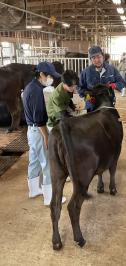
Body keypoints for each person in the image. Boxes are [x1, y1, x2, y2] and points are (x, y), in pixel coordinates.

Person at [22, 61, 66, 206]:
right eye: (50, 76)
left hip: (31, 130)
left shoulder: (31, 86)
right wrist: (46, 137)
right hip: (39, 130)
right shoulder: (36, 91)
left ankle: (34, 190)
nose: (51, 79)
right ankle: (50, 198)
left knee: (34, 160)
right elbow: (39, 118)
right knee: (47, 162)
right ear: (41, 74)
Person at [77, 45, 124, 112]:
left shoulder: (111, 69)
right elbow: (79, 88)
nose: (97, 60)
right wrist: (88, 96)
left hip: (108, 102)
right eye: (93, 58)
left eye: (99, 57)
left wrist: (114, 85)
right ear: (90, 59)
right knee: (92, 121)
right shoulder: (85, 72)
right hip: (91, 103)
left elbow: (121, 82)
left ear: (103, 57)